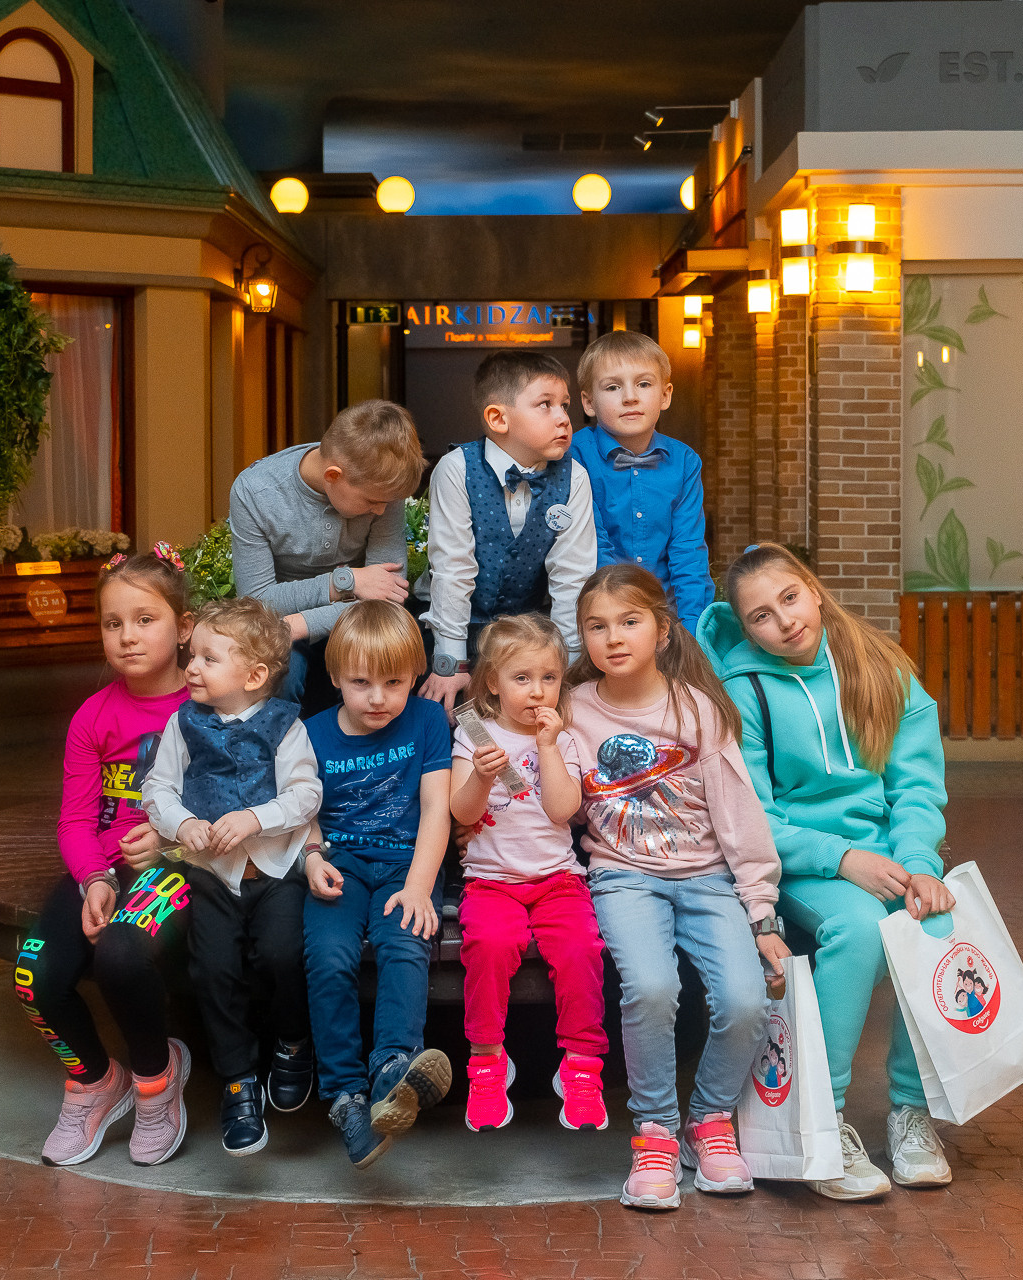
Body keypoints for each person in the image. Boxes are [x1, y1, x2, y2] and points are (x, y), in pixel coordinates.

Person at [696, 541, 957, 1200]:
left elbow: (917, 786)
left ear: (813, 591)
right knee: (862, 930)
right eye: (760, 616)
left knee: (937, 921)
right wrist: (842, 858)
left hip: (887, 853)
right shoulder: (742, 690)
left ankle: (910, 1111)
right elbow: (752, 814)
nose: (782, 621)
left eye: (789, 598)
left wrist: (921, 862)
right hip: (800, 863)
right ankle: (826, 1121)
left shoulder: (880, 669)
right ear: (745, 627)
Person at [563, 564, 788, 1212]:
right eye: (597, 627)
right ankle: (656, 1132)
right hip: (622, 875)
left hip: (708, 878)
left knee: (746, 1000)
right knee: (653, 987)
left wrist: (762, 913)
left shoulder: (697, 710)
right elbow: (561, 799)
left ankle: (710, 1121)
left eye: (629, 622)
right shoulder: (574, 708)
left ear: (662, 630)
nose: (613, 637)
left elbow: (740, 818)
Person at [12, 546, 195, 1169]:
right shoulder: (93, 716)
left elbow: (240, 810)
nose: (127, 636)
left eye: (145, 619)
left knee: (119, 952)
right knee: (33, 976)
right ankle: (93, 1079)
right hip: (100, 867)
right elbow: (74, 818)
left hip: (178, 868)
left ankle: (155, 1080)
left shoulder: (208, 711)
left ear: (185, 626)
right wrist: (92, 876)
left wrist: (170, 843)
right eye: (113, 623)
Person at [139, 596, 321, 1157]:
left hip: (273, 869)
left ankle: (292, 1042)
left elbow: (307, 793)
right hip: (213, 875)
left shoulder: (285, 727)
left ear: (255, 674)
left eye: (207, 659)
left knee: (284, 954)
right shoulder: (182, 723)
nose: (190, 668)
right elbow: (157, 789)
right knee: (214, 970)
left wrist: (255, 818)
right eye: (192, 657)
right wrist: (183, 822)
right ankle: (238, 1080)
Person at [301, 600, 455, 1167]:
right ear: (336, 676)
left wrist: (419, 887)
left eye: (394, 682)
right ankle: (345, 1096)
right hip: (341, 864)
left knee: (403, 942)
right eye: (361, 682)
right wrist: (312, 858)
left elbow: (437, 808)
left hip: (404, 865)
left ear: (415, 676)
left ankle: (394, 1069)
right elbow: (304, 810)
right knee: (328, 956)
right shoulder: (313, 734)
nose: (378, 698)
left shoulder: (427, 720)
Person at [446, 614, 606, 1133]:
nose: (537, 692)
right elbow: (463, 814)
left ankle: (582, 1067)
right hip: (491, 882)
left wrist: (546, 747)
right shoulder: (475, 733)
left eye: (549, 678)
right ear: (492, 682)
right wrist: (480, 775)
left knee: (581, 950)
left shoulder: (567, 739)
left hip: (559, 880)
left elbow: (563, 810)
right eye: (521, 678)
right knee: (489, 947)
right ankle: (487, 1062)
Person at [421, 350, 596, 715]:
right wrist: (451, 660)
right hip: (455, 627)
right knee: (454, 720)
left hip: (529, 635)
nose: (564, 418)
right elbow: (453, 569)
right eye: (545, 405)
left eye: (565, 405)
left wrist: (565, 665)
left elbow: (572, 578)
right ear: (498, 418)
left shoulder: (574, 477)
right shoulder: (456, 469)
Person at [229, 399, 426, 708]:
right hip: (282, 621)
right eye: (372, 501)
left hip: (326, 621)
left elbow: (384, 600)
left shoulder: (382, 486)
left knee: (402, 657)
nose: (381, 510)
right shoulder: (255, 492)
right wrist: (344, 582)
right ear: (333, 476)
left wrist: (297, 625)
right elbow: (257, 602)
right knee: (280, 673)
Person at [567, 330, 713, 631]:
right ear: (589, 402)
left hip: (665, 615)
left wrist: (693, 631)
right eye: (612, 387)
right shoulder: (574, 455)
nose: (630, 397)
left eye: (644, 384)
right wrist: (624, 616)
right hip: (599, 612)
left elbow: (687, 549)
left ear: (665, 395)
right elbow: (592, 543)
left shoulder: (684, 461)